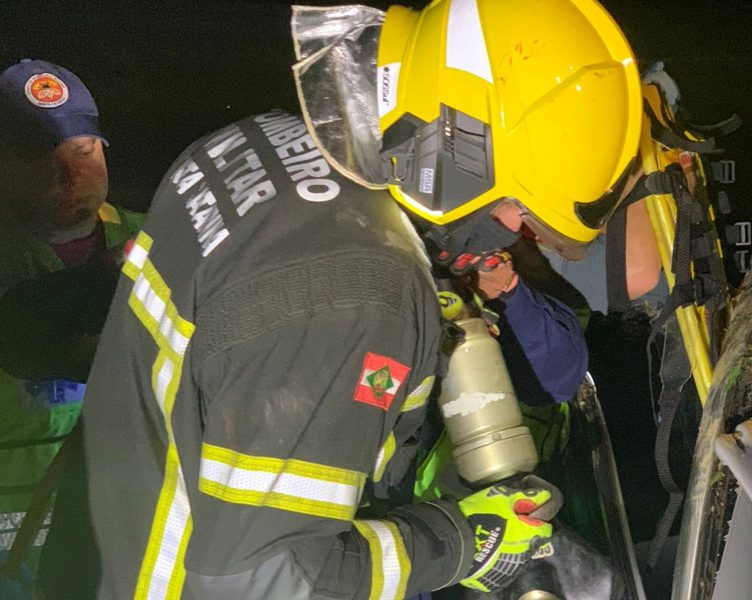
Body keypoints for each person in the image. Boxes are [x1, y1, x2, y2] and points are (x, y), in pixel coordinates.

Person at [73, 0, 642, 598]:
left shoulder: (260, 140)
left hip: (123, 533)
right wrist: (462, 541)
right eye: (518, 209)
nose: (512, 232)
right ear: (457, 144)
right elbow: (266, 578)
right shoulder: (360, 294)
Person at [0, 59, 143, 587]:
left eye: (84, 151)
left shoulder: (164, 240)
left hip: (126, 537)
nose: (70, 175)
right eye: (43, 157)